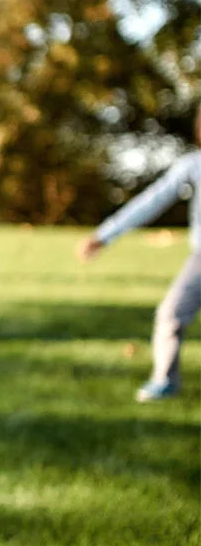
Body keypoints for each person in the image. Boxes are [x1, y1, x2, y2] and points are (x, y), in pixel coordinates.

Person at [79, 104, 201, 402]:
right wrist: (104, 235)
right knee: (171, 313)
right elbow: (152, 201)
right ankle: (165, 380)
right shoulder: (193, 166)